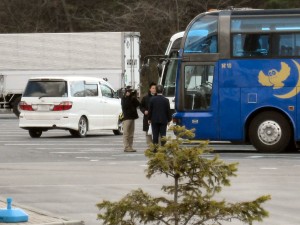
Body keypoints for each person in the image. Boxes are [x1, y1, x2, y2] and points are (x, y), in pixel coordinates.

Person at [121, 86, 140, 152]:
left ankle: (130, 146)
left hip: (132, 117)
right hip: (126, 117)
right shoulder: (124, 98)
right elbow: (125, 106)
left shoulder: (132, 98)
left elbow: (138, 104)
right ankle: (126, 147)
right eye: (128, 91)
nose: (129, 93)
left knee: (131, 134)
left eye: (130, 91)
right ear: (126, 92)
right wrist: (128, 97)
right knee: (126, 133)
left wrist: (134, 97)